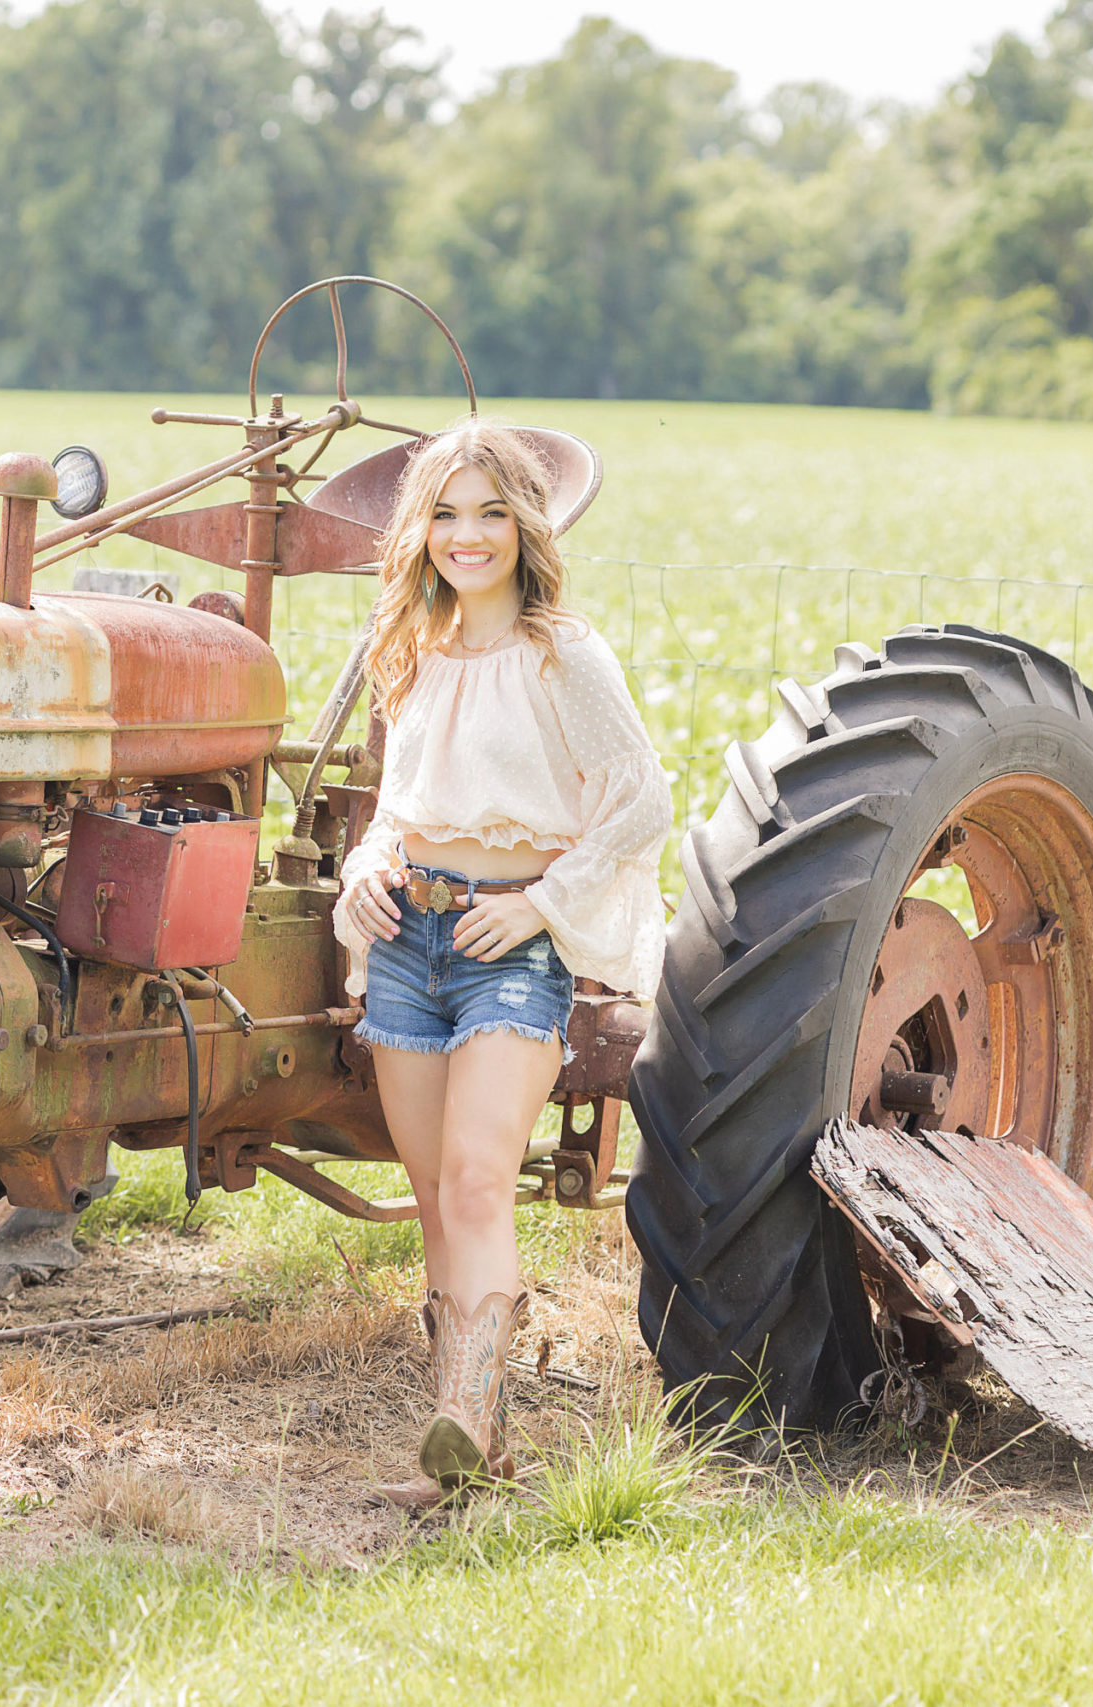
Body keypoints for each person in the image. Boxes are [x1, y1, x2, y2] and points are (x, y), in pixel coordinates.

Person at [332, 419, 673, 1505]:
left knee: (481, 1177)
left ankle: (465, 1425)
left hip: (504, 947)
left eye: (488, 513)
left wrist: (539, 905)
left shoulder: (560, 651)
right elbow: (400, 811)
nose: (465, 536)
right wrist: (369, 871)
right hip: (407, 940)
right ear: (418, 530)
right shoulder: (418, 653)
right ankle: (469, 1450)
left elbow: (640, 801)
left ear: (524, 526)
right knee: (435, 1195)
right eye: (443, 514)